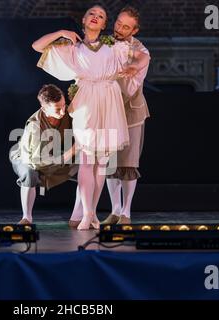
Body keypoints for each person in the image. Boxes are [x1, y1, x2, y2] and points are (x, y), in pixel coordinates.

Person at [32, 5, 149, 230]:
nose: (96, 17)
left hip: (109, 100)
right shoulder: (73, 47)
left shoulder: (113, 45)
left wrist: (134, 67)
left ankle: (93, 213)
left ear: (104, 24)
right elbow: (37, 46)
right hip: (87, 101)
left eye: (101, 16)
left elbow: (143, 56)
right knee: (87, 159)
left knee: (102, 163)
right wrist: (60, 33)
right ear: (84, 20)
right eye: (92, 14)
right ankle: (86, 214)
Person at [69, 6, 150, 227]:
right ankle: (108, 210)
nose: (120, 29)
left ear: (135, 30)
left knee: (128, 163)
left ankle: (126, 211)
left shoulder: (137, 49)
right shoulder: (107, 43)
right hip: (104, 110)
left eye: (126, 27)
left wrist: (113, 83)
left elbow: (131, 86)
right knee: (104, 162)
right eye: (118, 23)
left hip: (129, 111)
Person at [9, 84, 77, 224]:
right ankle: (26, 217)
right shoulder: (35, 126)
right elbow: (34, 160)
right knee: (30, 173)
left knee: (86, 167)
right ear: (44, 109)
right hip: (27, 157)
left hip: (54, 154)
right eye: (58, 109)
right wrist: (70, 153)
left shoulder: (67, 112)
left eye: (64, 105)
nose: (63, 111)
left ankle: (78, 216)